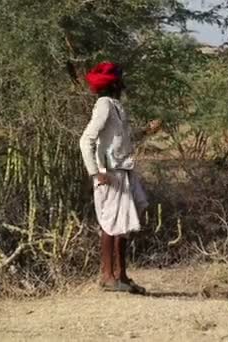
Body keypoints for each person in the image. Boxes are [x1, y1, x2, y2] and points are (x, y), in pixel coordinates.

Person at [80, 62, 160, 294]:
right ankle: (108, 276)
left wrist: (146, 131)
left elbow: (121, 139)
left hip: (122, 170)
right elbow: (86, 140)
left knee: (123, 224)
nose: (123, 81)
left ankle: (121, 276)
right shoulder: (104, 105)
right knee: (111, 224)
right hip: (110, 173)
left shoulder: (115, 106)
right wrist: (96, 172)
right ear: (114, 82)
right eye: (120, 78)